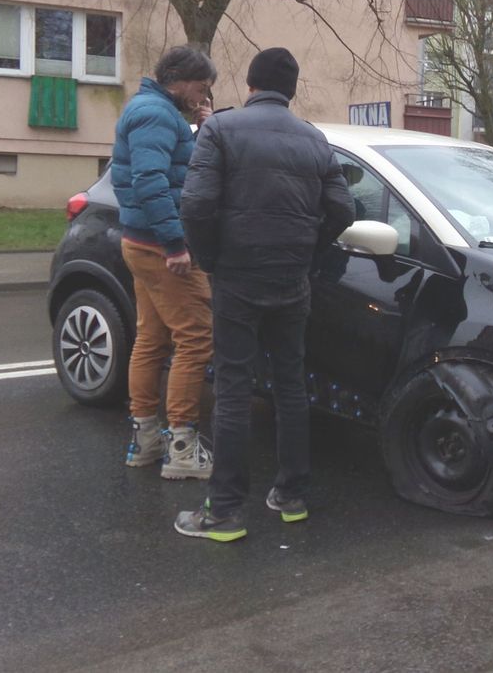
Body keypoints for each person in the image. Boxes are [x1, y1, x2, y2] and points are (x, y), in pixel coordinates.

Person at [175, 47, 355, 542]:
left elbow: (195, 204)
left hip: (237, 277)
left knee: (233, 388)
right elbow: (343, 209)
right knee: (291, 385)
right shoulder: (315, 140)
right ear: (291, 92)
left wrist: (210, 258)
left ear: (250, 86)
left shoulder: (220, 130)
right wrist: (309, 253)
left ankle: (226, 513)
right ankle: (292, 496)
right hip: (292, 280)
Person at [111, 45, 217, 480]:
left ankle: (146, 440)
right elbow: (151, 180)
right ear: (178, 79)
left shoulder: (156, 110)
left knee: (152, 339)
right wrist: (175, 244)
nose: (203, 94)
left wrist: (201, 128)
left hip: (142, 242)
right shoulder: (155, 113)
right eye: (200, 86)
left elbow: (172, 164)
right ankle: (182, 449)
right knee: (195, 339)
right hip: (161, 247)